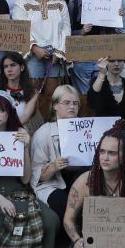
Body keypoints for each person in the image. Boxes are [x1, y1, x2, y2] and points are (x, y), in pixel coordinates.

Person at [0, 92, 60, 248]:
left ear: (9, 113)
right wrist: (0, 199)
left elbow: (26, 179)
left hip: (18, 191)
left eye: (2, 110)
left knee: (51, 220)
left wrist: (25, 148)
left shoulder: (18, 135)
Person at [9, 0, 71, 102]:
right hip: (32, 55)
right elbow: (20, 29)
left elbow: (66, 29)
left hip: (55, 54)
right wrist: (35, 48)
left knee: (52, 94)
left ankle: (51, 117)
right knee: (33, 94)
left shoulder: (60, 3)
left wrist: (59, 52)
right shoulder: (22, 3)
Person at [30, 84, 82, 225]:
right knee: (62, 203)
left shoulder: (86, 129)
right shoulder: (43, 133)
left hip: (79, 179)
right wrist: (53, 167)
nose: (72, 107)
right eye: (66, 102)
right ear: (55, 106)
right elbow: (35, 176)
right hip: (51, 184)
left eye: (75, 103)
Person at [66, 0, 113, 95]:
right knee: (84, 95)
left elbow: (112, 29)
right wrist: (81, 31)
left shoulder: (107, 2)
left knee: (101, 93)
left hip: (101, 56)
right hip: (82, 57)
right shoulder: (74, 5)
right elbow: (67, 32)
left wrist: (118, 15)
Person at [0, 48, 44, 129]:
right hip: (1, 131)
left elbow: (24, 117)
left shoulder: (31, 91)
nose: (9, 69)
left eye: (13, 65)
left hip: (22, 131)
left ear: (22, 67)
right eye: (5, 67)